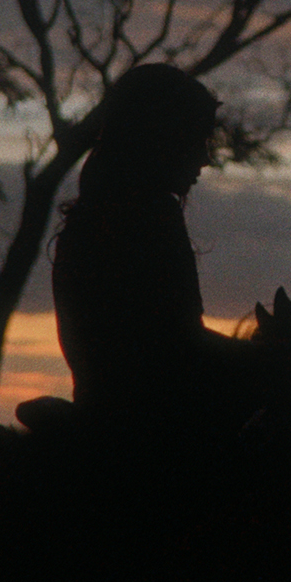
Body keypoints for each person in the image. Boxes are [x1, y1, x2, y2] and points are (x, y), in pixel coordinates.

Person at [50, 64, 258, 441]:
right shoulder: (150, 218)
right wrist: (266, 363)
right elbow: (178, 345)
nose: (205, 159)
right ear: (160, 138)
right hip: (155, 432)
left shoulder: (88, 220)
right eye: (197, 140)